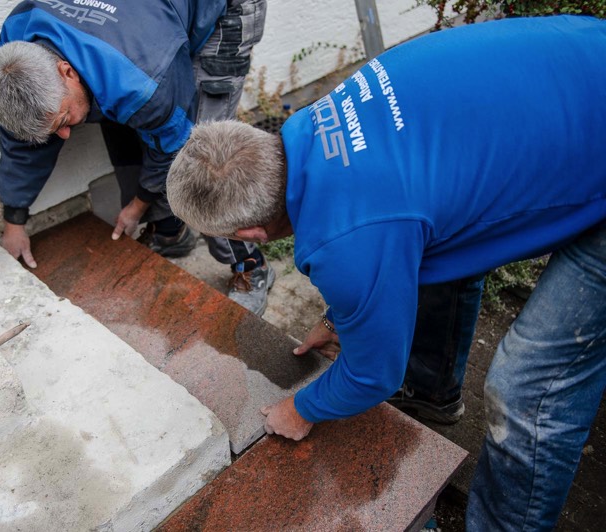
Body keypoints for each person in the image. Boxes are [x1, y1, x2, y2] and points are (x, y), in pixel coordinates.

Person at [166, 15, 606, 530]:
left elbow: (374, 373)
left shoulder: (348, 239)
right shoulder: (318, 124)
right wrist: (338, 321)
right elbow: (394, 228)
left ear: (250, 235)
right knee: (440, 251)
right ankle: (431, 396)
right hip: (584, 63)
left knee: (529, 389)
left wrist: (303, 408)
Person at [0, 0, 275, 316]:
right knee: (120, 111)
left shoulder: (143, 82)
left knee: (207, 160)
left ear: (66, 71)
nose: (64, 136)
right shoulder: (16, 46)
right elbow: (22, 142)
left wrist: (138, 205)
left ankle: (250, 266)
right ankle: (170, 233)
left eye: (62, 121)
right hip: (139, 30)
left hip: (219, 11)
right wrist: (14, 220)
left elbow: (173, 146)